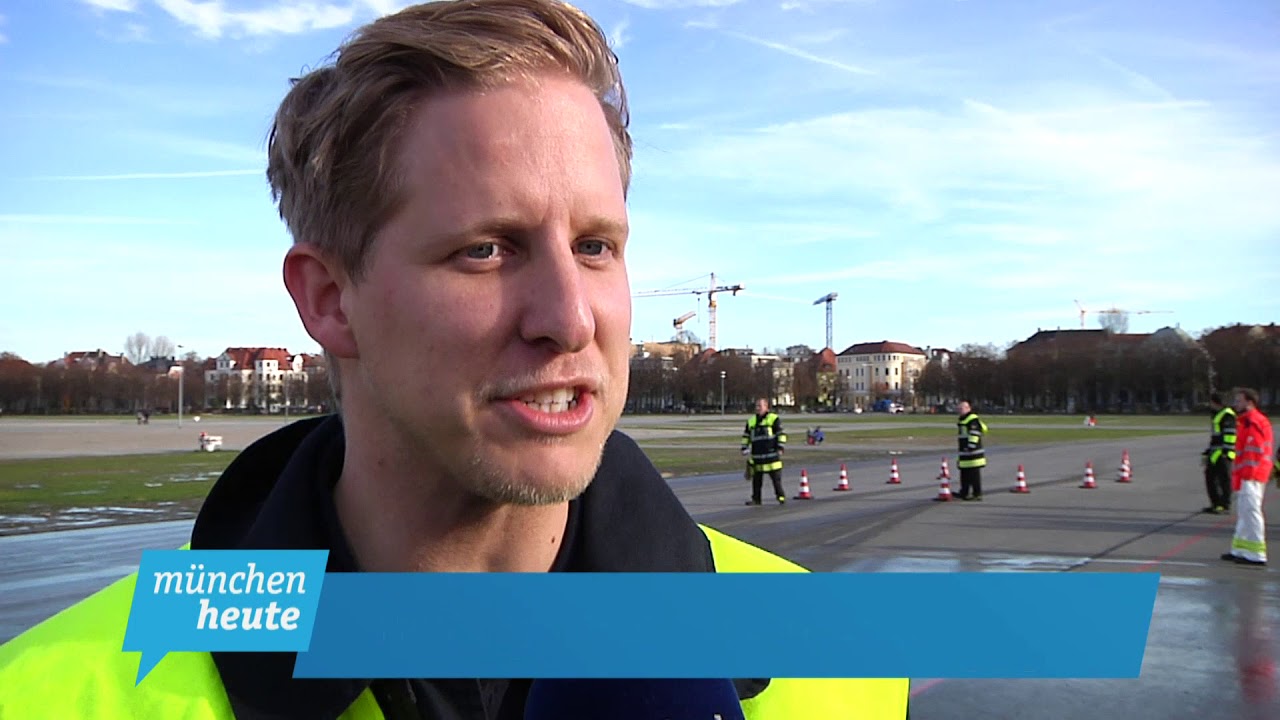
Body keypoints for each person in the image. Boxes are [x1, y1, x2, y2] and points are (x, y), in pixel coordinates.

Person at [0, 2, 910, 718]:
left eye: (596, 246)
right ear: (328, 299)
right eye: (485, 249)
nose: (568, 319)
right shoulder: (53, 691)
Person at [1221, 388, 1274, 567]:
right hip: (1247, 474)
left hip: (1252, 475)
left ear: (1249, 402)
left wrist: (1248, 475)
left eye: (1239, 401)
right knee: (1244, 512)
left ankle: (1257, 553)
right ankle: (1241, 549)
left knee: (1251, 511)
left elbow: (1255, 452)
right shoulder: (1245, 422)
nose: (1236, 404)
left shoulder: (1253, 422)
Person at [742, 397, 788, 506]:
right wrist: (744, 447)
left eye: (760, 406)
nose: (758, 408)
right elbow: (746, 436)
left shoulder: (773, 419)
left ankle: (780, 496)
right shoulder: (751, 421)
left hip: (772, 455)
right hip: (757, 456)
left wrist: (780, 447)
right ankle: (756, 499)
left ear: (766, 407)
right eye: (756, 406)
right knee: (756, 481)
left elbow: (780, 434)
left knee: (776, 480)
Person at [1202, 392, 1237, 514]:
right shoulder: (1217, 414)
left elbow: (1230, 434)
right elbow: (1216, 436)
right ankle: (1216, 503)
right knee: (1210, 478)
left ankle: (1224, 504)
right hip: (1215, 451)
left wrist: (1227, 451)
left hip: (1223, 453)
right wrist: (1208, 451)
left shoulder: (1227, 415)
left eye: (1211, 402)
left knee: (1223, 479)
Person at [955, 400, 988, 501]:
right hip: (965, 453)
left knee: (974, 475)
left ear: (968, 409)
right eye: (959, 409)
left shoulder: (972, 419)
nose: (960, 410)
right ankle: (964, 492)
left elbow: (975, 433)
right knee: (964, 474)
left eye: (962, 408)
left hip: (973, 453)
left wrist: (970, 446)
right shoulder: (963, 420)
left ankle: (977, 493)